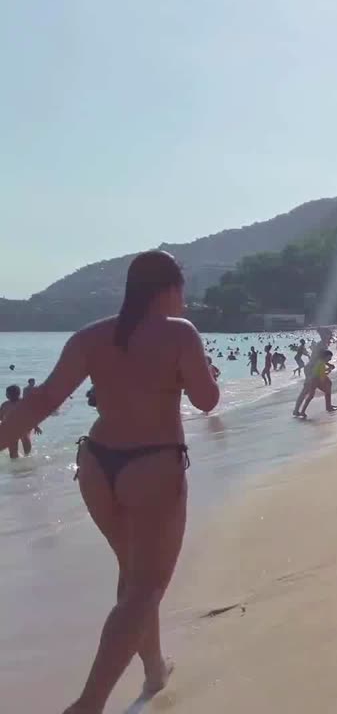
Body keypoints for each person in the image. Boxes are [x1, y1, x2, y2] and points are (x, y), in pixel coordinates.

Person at [0, 250, 219, 712]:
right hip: (152, 465)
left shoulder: (90, 336)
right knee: (144, 589)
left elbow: (43, 401)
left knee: (134, 578)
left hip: (97, 464)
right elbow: (206, 401)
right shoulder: (180, 333)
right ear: (171, 288)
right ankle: (89, 704)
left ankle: (155, 669)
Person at [1, 384, 41, 458]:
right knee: (12, 449)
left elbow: (31, 416)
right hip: (10, 429)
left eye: (7, 393)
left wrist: (36, 426)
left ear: (15, 394)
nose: (6, 395)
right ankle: (14, 462)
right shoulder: (5, 405)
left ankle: (27, 456)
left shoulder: (24, 403)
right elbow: (1, 417)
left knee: (26, 441)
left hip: (23, 427)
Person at [296, 351, 336, 417]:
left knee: (311, 396)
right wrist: (328, 371)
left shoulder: (320, 362)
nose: (330, 359)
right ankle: (302, 411)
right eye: (329, 357)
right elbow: (321, 375)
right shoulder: (321, 364)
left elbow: (318, 372)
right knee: (311, 395)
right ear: (325, 357)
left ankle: (302, 411)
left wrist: (327, 370)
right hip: (315, 380)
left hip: (314, 379)